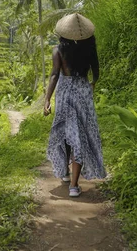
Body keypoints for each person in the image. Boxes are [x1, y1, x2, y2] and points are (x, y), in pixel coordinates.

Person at [43, 13, 106, 197]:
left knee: (66, 131)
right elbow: (96, 72)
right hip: (82, 93)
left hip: (64, 94)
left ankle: (65, 174)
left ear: (63, 33)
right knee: (78, 135)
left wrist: (47, 99)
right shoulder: (89, 50)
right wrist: (91, 85)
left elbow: (55, 75)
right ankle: (73, 185)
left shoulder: (58, 51)